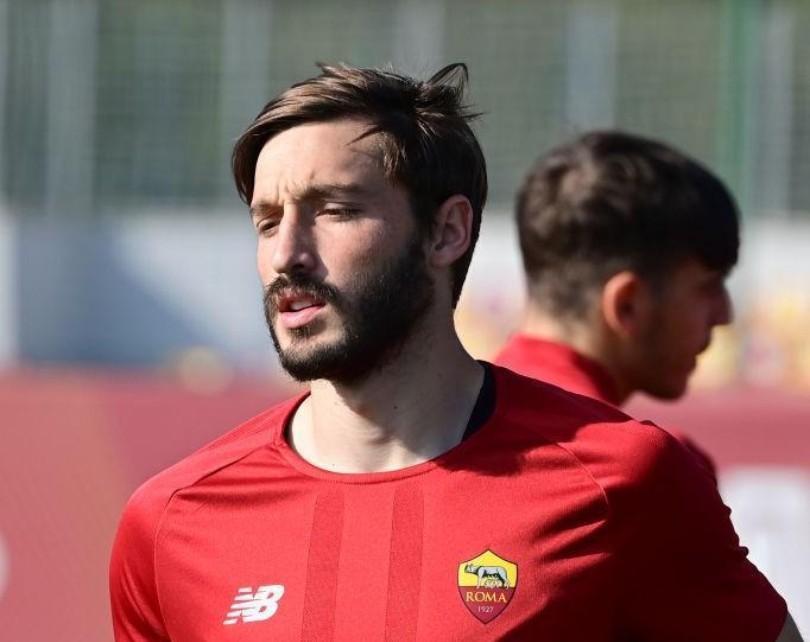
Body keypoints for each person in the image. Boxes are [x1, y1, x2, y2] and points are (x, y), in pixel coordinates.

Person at [109, 65, 800, 641]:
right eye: (268, 221)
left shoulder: (623, 480)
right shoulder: (170, 519)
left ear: (447, 232)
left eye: (336, 210)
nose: (287, 254)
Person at [495, 130, 740, 475]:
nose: (724, 314)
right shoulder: (650, 472)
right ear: (627, 305)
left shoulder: (435, 428)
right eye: (709, 287)